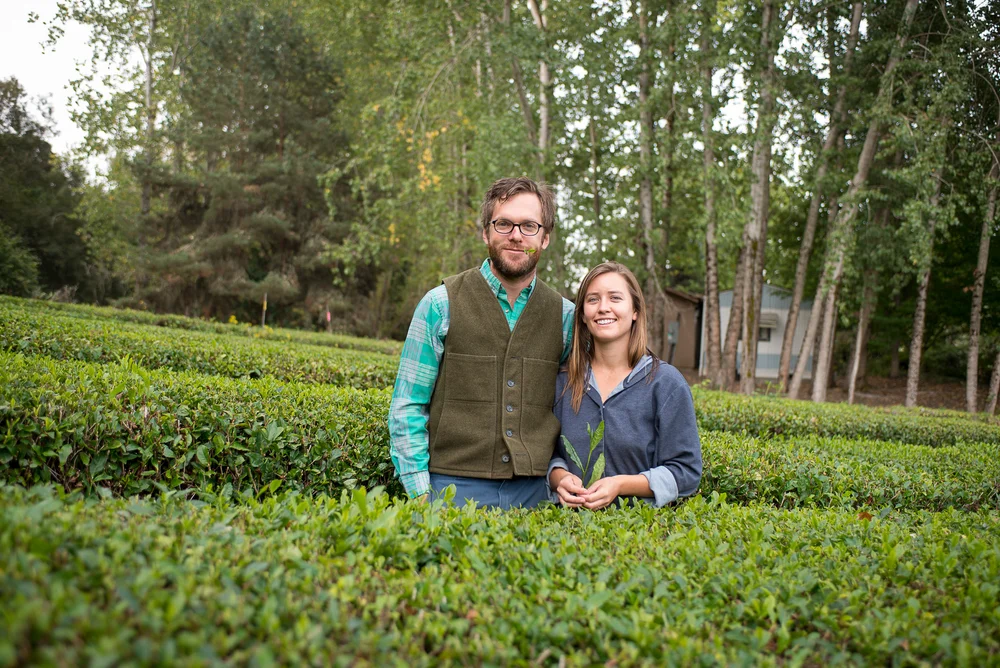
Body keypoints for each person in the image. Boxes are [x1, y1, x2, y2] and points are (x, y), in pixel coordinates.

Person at [388, 177, 575, 509]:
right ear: (485, 232)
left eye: (529, 226)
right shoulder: (439, 304)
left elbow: (574, 409)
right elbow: (407, 405)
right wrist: (421, 495)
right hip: (451, 488)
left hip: (536, 495)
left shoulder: (566, 317)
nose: (516, 235)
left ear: (545, 238)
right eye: (504, 223)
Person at [549, 262, 702, 510]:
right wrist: (559, 478)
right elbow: (546, 454)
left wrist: (621, 484)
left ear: (635, 312)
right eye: (593, 300)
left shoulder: (666, 383)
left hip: (640, 536)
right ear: (583, 316)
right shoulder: (563, 381)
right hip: (568, 533)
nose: (603, 308)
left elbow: (686, 472)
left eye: (615, 298)